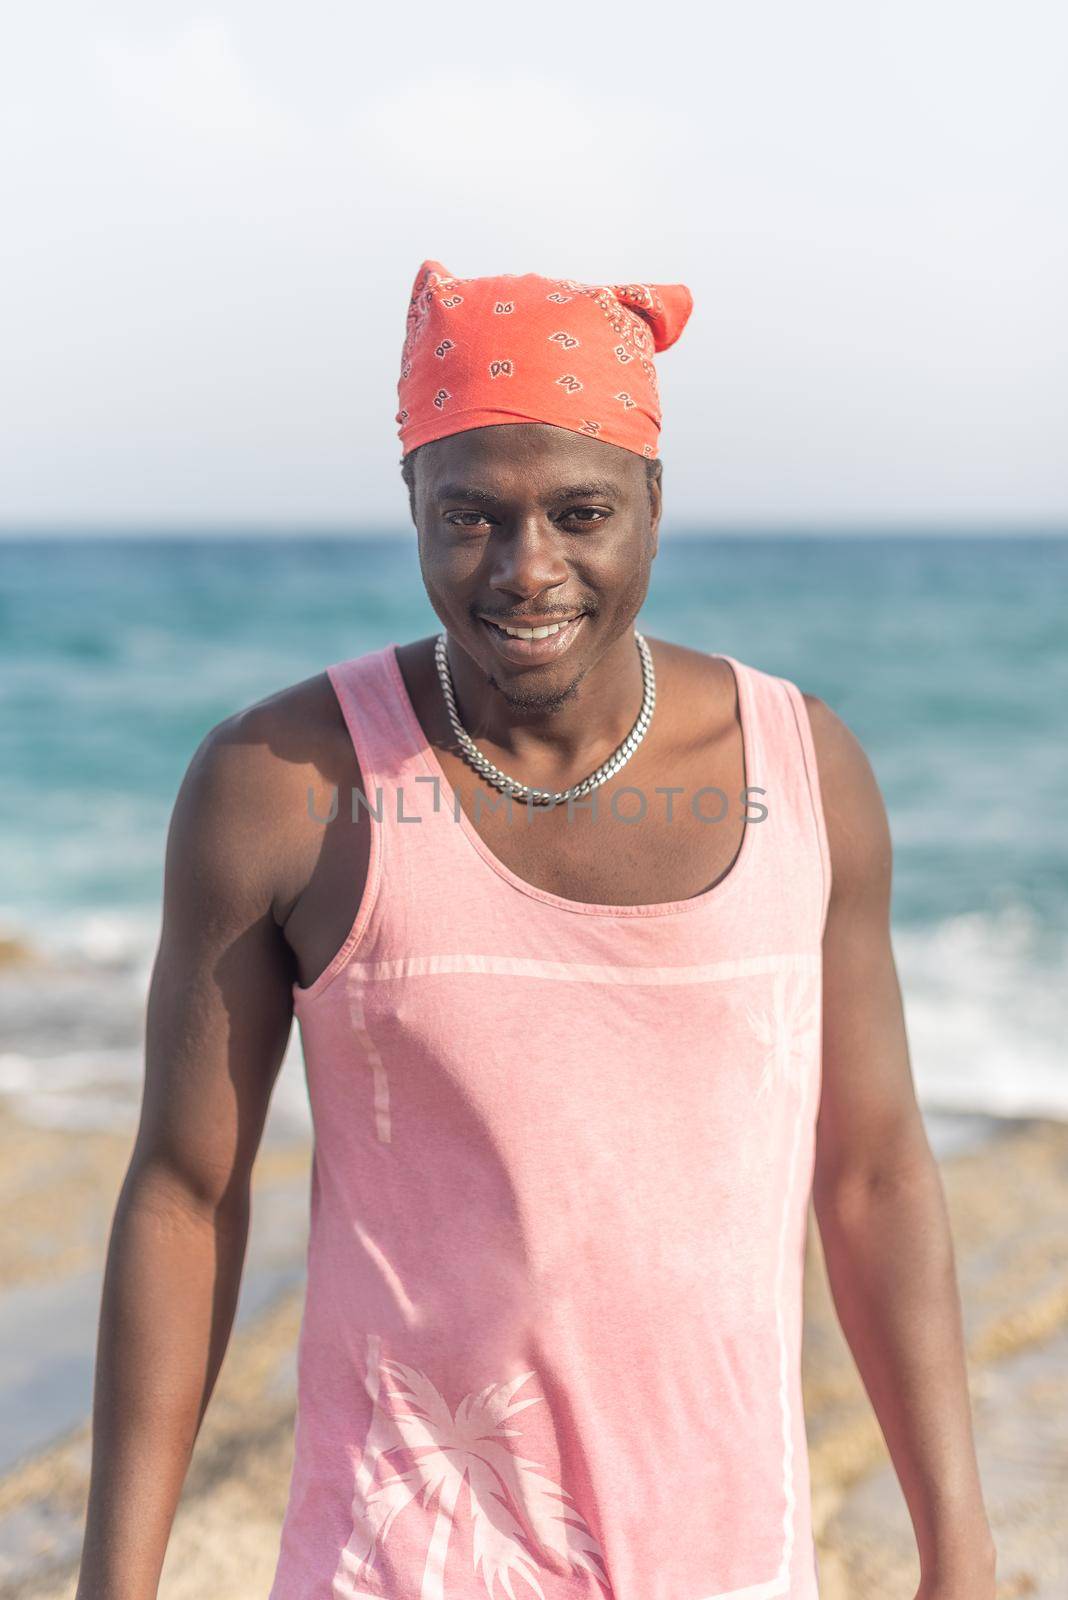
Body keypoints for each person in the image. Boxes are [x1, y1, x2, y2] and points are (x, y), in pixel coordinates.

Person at [75, 261, 996, 1600]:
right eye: (471, 519)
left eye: (581, 513)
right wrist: (118, 1582)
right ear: (410, 509)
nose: (526, 571)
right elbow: (183, 1192)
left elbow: (874, 1175)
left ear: (656, 509)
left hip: (730, 1561)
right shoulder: (281, 785)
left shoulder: (803, 772)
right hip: (397, 1559)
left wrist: (958, 1552)